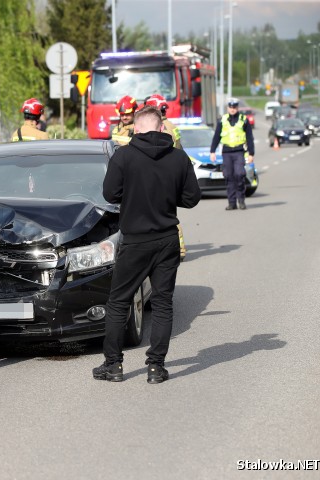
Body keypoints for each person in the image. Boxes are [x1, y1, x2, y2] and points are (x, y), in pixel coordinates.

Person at [93, 106, 201, 384]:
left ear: (136, 129)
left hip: (135, 241)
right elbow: (191, 199)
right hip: (167, 240)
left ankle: (113, 366)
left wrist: (136, 194)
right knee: (163, 303)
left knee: (118, 302)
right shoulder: (179, 157)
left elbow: (110, 193)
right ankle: (156, 367)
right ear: (162, 128)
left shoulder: (124, 156)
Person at [144, 94, 187, 260]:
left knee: (165, 214)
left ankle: (177, 249)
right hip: (169, 174)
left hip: (161, 175)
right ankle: (178, 248)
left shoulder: (163, 127)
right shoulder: (169, 125)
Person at [210, 98, 255, 210]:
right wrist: (212, 151)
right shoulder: (222, 120)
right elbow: (216, 136)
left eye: (234, 107)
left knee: (239, 175)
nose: (232, 109)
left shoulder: (243, 120)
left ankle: (241, 200)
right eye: (230, 107)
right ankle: (232, 203)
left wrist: (251, 153)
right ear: (228, 108)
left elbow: (249, 138)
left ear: (237, 108)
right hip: (226, 152)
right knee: (229, 177)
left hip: (239, 151)